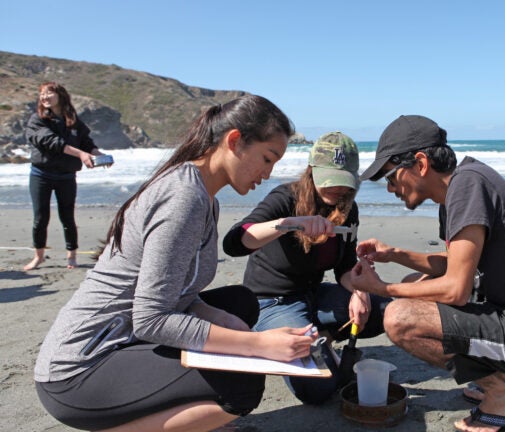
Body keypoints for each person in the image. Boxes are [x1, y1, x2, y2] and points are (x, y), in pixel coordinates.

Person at [34, 95, 316, 432]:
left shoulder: (203, 197)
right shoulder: (182, 199)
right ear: (235, 141)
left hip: (125, 339)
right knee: (243, 383)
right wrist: (259, 345)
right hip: (79, 369)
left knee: (238, 305)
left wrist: (232, 325)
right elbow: (151, 318)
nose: (268, 174)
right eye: (267, 159)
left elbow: (178, 295)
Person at [349, 115, 505, 432]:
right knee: (416, 284)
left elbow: (456, 289)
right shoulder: (461, 185)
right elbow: (457, 263)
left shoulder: (467, 185)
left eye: (389, 176)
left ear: (421, 163)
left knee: (399, 318)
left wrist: (383, 289)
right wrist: (394, 254)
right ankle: (503, 378)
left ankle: (502, 388)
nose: (389, 188)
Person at [222, 131, 390, 404]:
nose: (338, 190)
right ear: (311, 171)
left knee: (383, 310)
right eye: (330, 181)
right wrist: (289, 223)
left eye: (344, 182)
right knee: (319, 391)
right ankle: (278, 338)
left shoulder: (348, 207)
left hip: (314, 296)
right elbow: (235, 242)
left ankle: (316, 337)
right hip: (272, 302)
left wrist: (360, 291)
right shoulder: (285, 198)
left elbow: (345, 267)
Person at [24, 81, 110, 271]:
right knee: (41, 217)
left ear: (60, 96)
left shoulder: (72, 120)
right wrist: (80, 154)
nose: (45, 97)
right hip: (42, 174)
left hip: (66, 176)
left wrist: (99, 155)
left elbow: (86, 142)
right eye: (42, 94)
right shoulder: (36, 120)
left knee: (68, 217)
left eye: (49, 93)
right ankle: (38, 257)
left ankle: (71, 256)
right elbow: (52, 142)